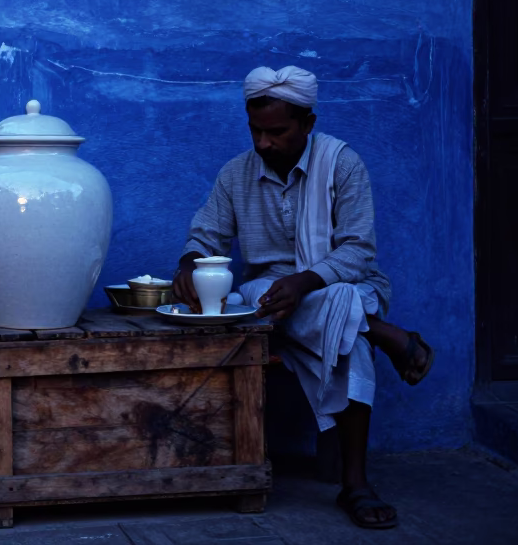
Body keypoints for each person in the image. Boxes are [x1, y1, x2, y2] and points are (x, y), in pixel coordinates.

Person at [173, 65, 435, 530]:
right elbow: (207, 234)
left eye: (276, 132)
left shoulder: (343, 164)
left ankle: (355, 484)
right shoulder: (236, 174)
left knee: (342, 317)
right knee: (302, 311)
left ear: (308, 124)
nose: (263, 143)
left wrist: (307, 282)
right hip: (268, 295)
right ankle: (387, 339)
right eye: (255, 131)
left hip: (342, 286)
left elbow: (358, 250)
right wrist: (189, 261)